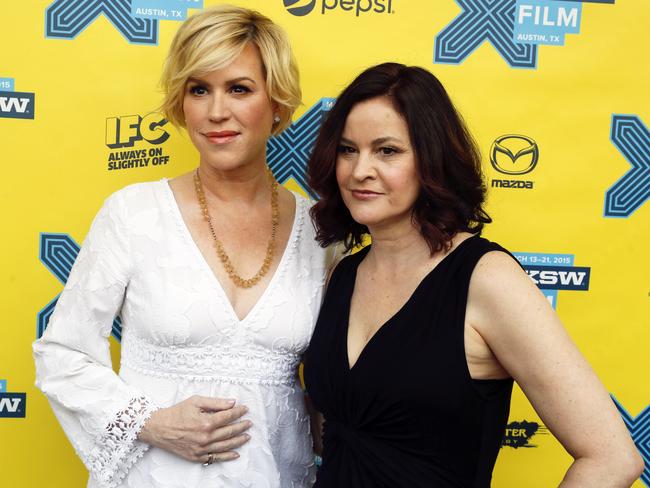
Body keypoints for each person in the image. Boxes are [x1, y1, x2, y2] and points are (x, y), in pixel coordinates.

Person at [303, 63, 644, 487]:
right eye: (348, 149)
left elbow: (613, 459)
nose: (359, 171)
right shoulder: (344, 273)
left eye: (387, 151)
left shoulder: (486, 278)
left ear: (431, 161)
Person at [34, 5, 331, 488]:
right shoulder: (133, 213)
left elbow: (335, 379)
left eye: (239, 88)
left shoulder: (321, 233)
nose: (216, 112)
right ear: (181, 102)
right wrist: (150, 422)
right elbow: (62, 354)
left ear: (277, 101)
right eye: (199, 89)